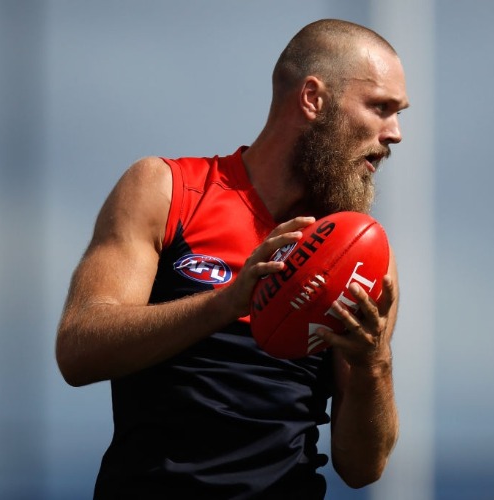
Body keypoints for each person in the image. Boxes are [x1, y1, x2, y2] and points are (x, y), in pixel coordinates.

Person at [55, 18, 409, 499]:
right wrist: (226, 302)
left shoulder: (362, 259)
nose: (395, 134)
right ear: (313, 99)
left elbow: (362, 468)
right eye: (380, 108)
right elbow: (78, 352)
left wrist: (373, 363)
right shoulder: (167, 191)